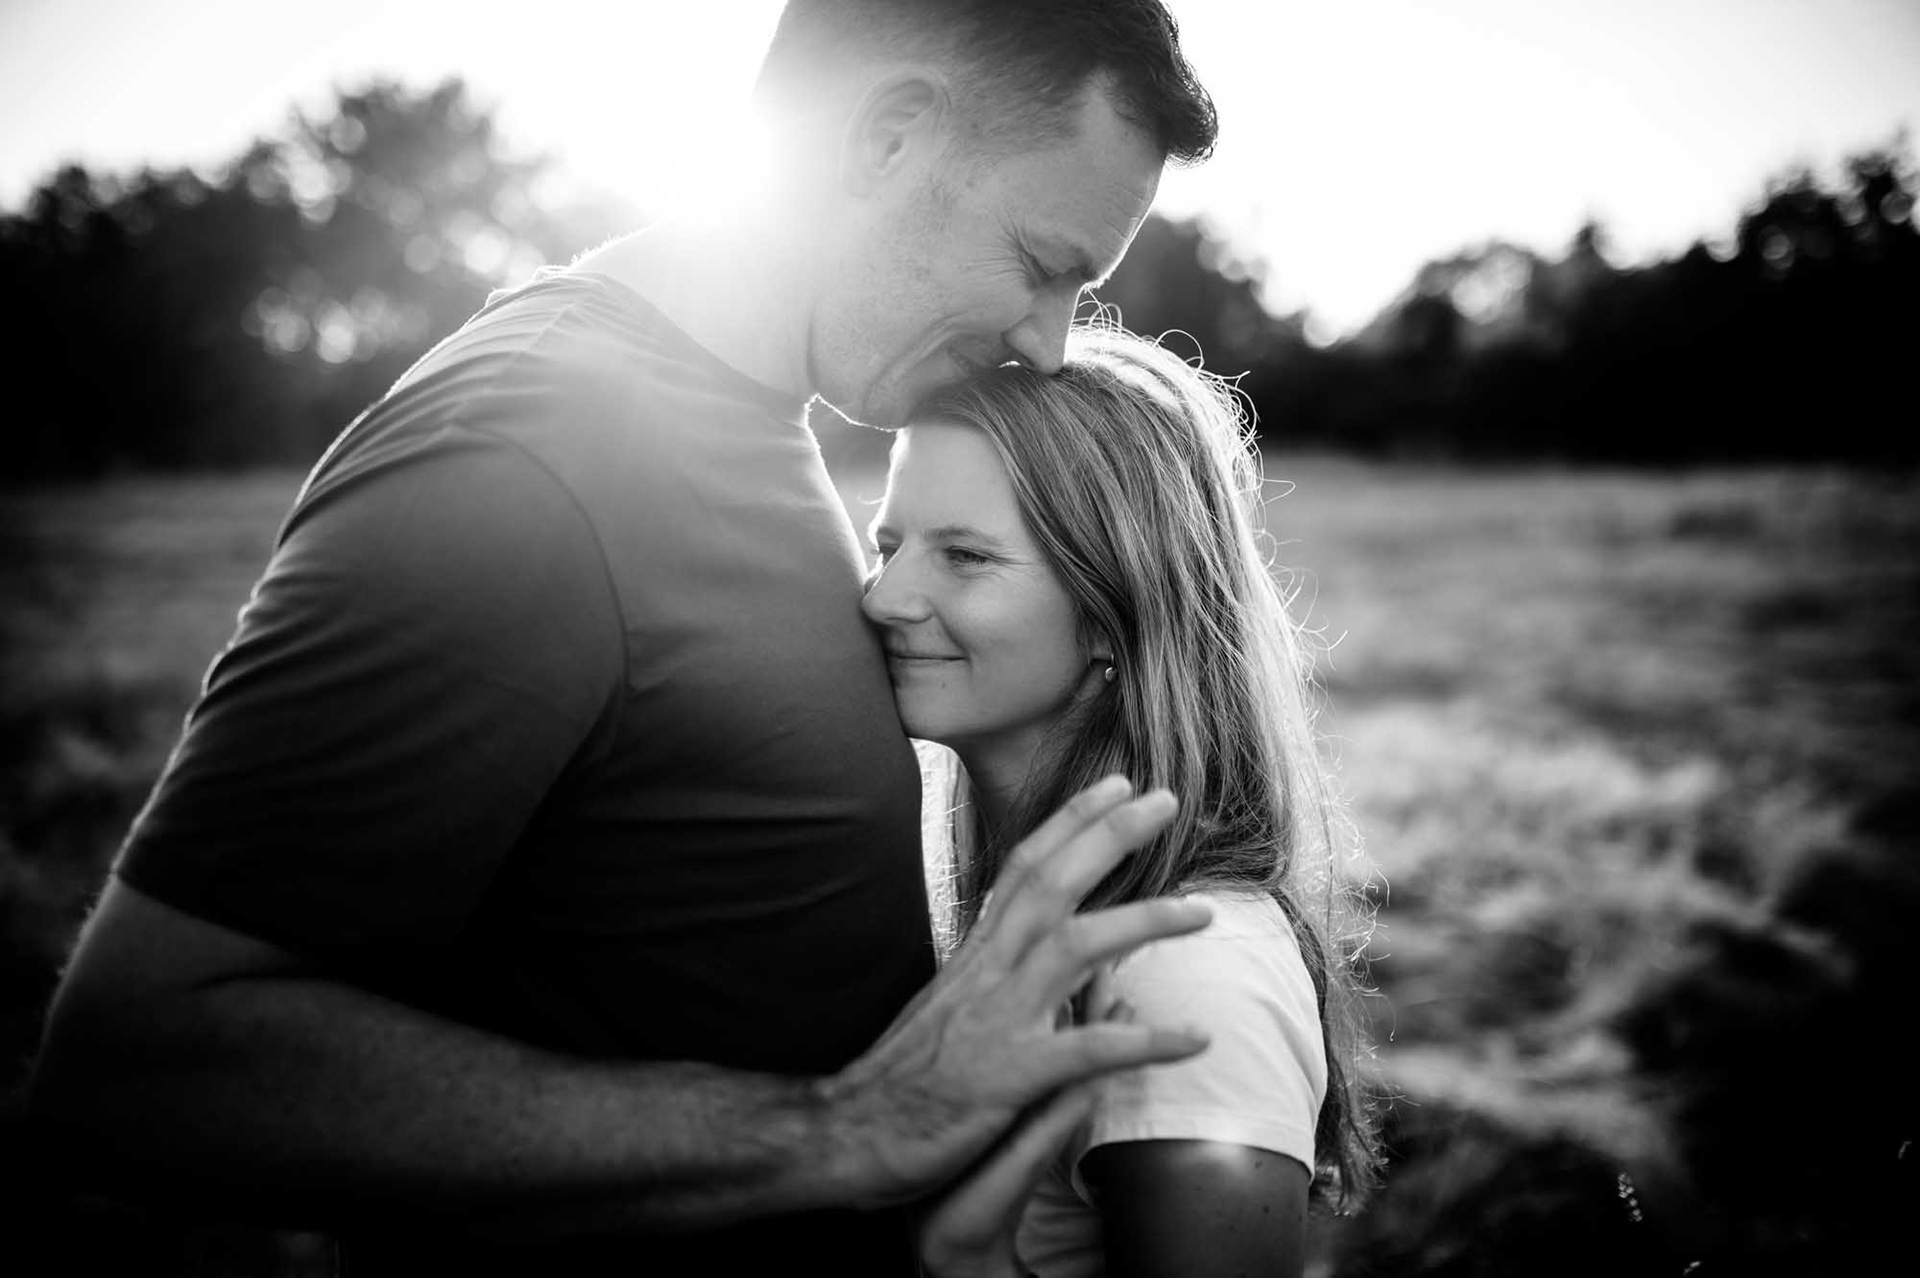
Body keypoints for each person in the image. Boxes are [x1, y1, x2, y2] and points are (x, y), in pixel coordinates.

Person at [25, 4, 1222, 1276]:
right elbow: (140, 1059)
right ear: (888, 139)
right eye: (1041, 263)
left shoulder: (753, 408)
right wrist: (839, 1129)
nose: (1048, 340)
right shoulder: (525, 454)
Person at [862, 324, 1381, 1278]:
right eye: (887, 545)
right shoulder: (1008, 903)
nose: (884, 598)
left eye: (965, 556)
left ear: (1114, 610)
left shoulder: (1187, 969)